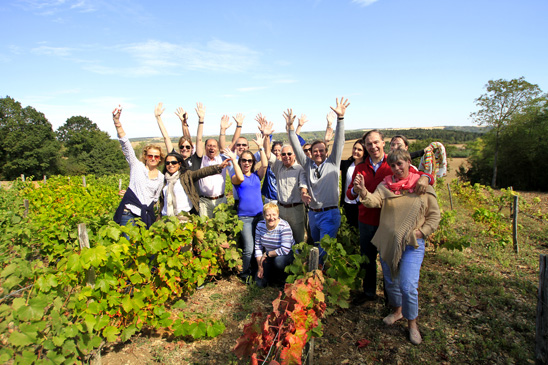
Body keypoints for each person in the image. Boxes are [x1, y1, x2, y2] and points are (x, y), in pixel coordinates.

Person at [353, 149, 440, 345]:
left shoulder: (421, 185)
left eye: (400, 164)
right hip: (389, 242)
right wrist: (363, 191)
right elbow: (373, 201)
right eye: (393, 165)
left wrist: (422, 232)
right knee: (391, 282)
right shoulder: (386, 186)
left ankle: (413, 324)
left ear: (409, 162)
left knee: (408, 286)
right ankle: (397, 311)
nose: (397, 168)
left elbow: (434, 215)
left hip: (412, 244)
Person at [347, 130, 432, 305]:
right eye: (369, 144)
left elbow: (418, 174)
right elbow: (350, 192)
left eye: (376, 142)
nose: (373, 147)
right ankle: (369, 292)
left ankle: (391, 298)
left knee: (391, 260)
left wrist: (426, 177)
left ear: (383, 142)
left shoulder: (393, 163)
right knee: (368, 259)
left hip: (390, 223)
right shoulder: (361, 167)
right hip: (366, 221)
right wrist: (356, 190)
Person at [287, 97, 349, 258]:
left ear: (326, 152)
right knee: (315, 247)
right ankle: (317, 278)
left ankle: (319, 279)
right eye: (315, 151)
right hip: (313, 215)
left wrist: (340, 119)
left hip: (329, 213)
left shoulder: (333, 163)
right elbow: (295, 146)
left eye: (322, 150)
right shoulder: (307, 165)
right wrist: (290, 128)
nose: (318, 153)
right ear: (311, 153)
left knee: (323, 252)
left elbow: (339, 142)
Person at [223, 133, 268, 281]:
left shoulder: (256, 176)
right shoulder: (236, 178)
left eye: (249, 160)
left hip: (260, 216)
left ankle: (258, 270)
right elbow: (241, 177)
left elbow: (265, 164)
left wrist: (261, 147)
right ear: (240, 161)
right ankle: (245, 273)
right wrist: (235, 159)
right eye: (244, 160)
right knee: (249, 248)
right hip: (245, 218)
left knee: (259, 246)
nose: (247, 163)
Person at [112, 106, 164, 228]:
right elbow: (126, 145)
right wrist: (117, 123)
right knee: (128, 244)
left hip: (146, 216)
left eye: (156, 157)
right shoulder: (137, 166)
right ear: (145, 156)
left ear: (160, 159)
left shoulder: (160, 177)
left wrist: (130, 194)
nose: (153, 158)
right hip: (129, 213)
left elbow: (155, 199)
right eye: (150, 155)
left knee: (142, 246)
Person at [262, 120, 308, 245]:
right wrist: (266, 136)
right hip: (281, 208)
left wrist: (304, 193)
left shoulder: (300, 168)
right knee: (283, 240)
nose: (286, 156)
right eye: (283, 154)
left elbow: (303, 184)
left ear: (294, 155)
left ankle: (299, 262)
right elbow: (267, 154)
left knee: (299, 240)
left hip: (296, 209)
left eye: (289, 154)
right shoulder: (278, 167)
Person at [158, 151, 230, 220]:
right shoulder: (163, 179)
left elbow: (202, 172)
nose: (170, 165)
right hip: (166, 217)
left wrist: (218, 167)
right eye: (168, 163)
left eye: (173, 162)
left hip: (183, 217)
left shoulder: (186, 176)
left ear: (179, 164)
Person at [254, 203, 295, 288]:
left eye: (274, 215)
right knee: (259, 284)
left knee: (279, 261)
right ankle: (272, 277)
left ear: (278, 214)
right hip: (269, 256)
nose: (271, 218)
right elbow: (258, 247)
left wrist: (267, 254)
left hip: (285, 255)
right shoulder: (260, 225)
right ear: (264, 216)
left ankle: (283, 280)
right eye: (268, 215)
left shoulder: (284, 226)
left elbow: (285, 249)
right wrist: (260, 266)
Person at [154, 102, 205, 171]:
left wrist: (201, 120)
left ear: (192, 148)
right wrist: (158, 118)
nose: (184, 149)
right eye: (182, 146)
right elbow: (166, 138)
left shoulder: (196, 159)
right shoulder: (175, 159)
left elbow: (199, 139)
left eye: (187, 147)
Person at [340, 139, 367, 229]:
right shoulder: (346, 164)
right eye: (354, 148)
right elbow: (331, 161)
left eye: (359, 149)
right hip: (347, 203)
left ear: (365, 151)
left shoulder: (367, 167)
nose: (355, 151)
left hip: (362, 205)